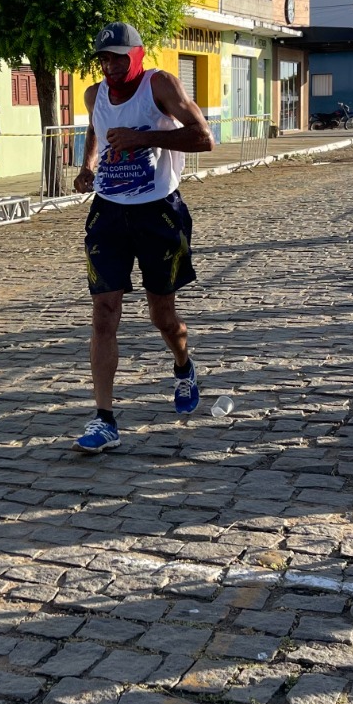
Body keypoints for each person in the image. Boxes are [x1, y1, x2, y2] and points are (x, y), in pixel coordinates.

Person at [72, 22, 213, 453]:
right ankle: (104, 419)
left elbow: (204, 138)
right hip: (109, 213)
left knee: (162, 318)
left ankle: (183, 364)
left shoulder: (160, 85)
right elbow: (96, 130)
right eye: (103, 59)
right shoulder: (94, 94)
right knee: (103, 314)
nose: (110, 66)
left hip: (159, 214)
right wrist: (88, 165)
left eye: (118, 57)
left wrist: (143, 138)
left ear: (137, 55)